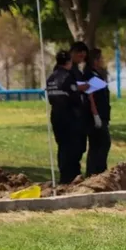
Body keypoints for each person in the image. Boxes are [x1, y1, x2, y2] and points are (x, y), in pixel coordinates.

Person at [46, 50, 86, 184]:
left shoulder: (51, 77)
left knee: (62, 146)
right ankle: (72, 176)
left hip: (56, 116)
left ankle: (64, 175)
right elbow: (75, 98)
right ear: (68, 62)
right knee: (73, 147)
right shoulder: (68, 77)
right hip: (69, 116)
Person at [83, 48, 111, 175]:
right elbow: (90, 96)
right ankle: (96, 172)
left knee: (100, 144)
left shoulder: (96, 73)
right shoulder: (89, 74)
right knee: (102, 143)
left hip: (102, 114)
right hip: (96, 115)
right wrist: (95, 115)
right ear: (95, 60)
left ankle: (97, 171)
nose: (102, 61)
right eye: (100, 58)